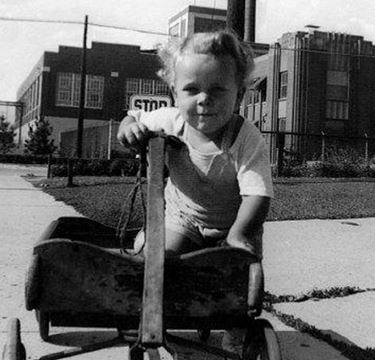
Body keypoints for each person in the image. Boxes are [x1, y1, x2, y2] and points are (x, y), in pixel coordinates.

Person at [117, 30, 273, 354]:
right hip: (183, 216)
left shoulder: (245, 138)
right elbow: (133, 117)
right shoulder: (170, 121)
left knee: (238, 277)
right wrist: (127, 128)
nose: (204, 99)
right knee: (157, 259)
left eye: (218, 89)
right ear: (175, 92)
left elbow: (258, 194)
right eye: (191, 89)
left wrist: (240, 234)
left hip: (232, 223)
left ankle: (235, 332)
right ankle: (152, 314)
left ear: (239, 95)